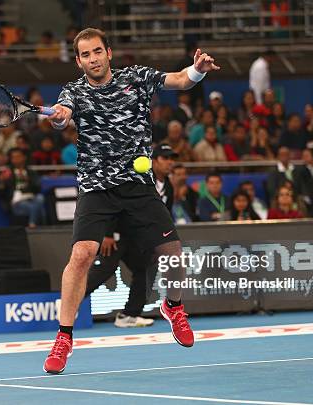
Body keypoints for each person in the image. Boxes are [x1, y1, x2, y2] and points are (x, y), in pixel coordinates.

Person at [43, 28, 219, 373]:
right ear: (78, 61)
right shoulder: (74, 92)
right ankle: (64, 337)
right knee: (81, 254)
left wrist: (196, 69)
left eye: (97, 51)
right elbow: (63, 112)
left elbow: (181, 80)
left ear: (108, 52)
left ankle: (174, 307)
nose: (93, 59)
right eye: (85, 55)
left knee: (172, 254)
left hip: (138, 185)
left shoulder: (136, 78)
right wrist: (61, 117)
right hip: (96, 188)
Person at [85, 144, 177, 329]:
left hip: (140, 239)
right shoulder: (138, 177)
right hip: (119, 234)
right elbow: (113, 203)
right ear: (154, 160)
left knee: (145, 270)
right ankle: (66, 305)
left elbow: (163, 217)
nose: (170, 163)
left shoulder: (169, 187)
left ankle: (129, 315)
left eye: (171, 158)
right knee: (104, 271)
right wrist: (108, 233)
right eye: (165, 158)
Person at [0, 147, 46, 227]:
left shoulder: (30, 172)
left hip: (30, 197)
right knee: (36, 208)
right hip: (17, 200)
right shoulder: (7, 173)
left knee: (40, 198)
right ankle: (35, 225)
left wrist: (28, 180)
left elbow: (38, 189)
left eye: (18, 156)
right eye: (13, 157)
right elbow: (0, 192)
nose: (16, 159)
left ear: (24, 157)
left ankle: (32, 224)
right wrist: (2, 182)